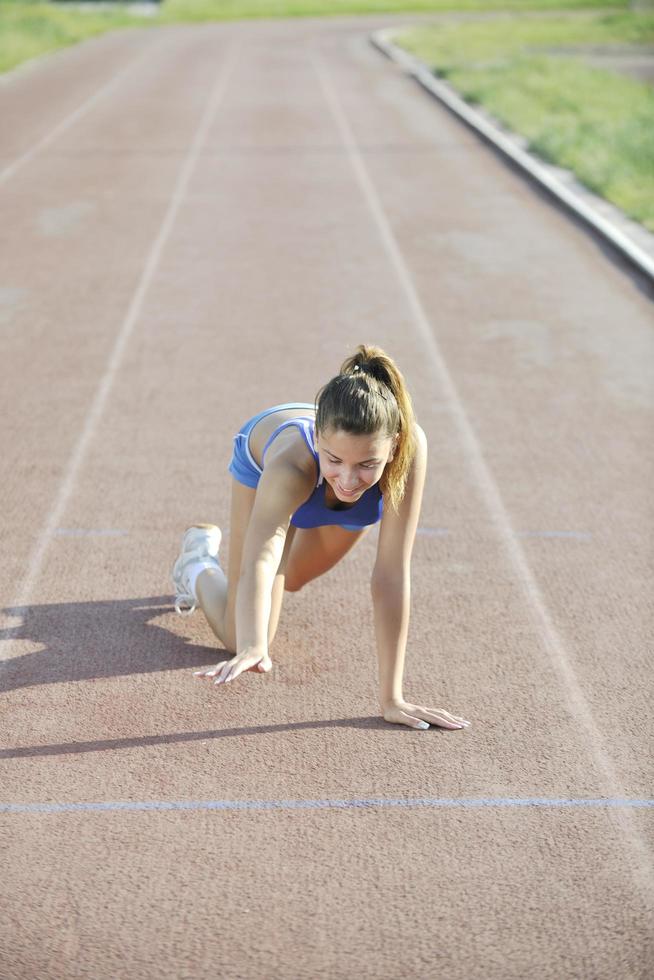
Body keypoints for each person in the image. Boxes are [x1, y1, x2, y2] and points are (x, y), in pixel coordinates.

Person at [171, 344, 470, 732]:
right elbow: (261, 557)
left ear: (394, 445)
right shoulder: (291, 466)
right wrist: (253, 645)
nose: (348, 480)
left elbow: (391, 574)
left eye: (367, 465)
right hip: (268, 464)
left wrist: (391, 698)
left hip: (329, 472)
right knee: (239, 632)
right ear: (317, 437)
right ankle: (196, 564)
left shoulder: (410, 450)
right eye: (335, 461)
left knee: (293, 577)